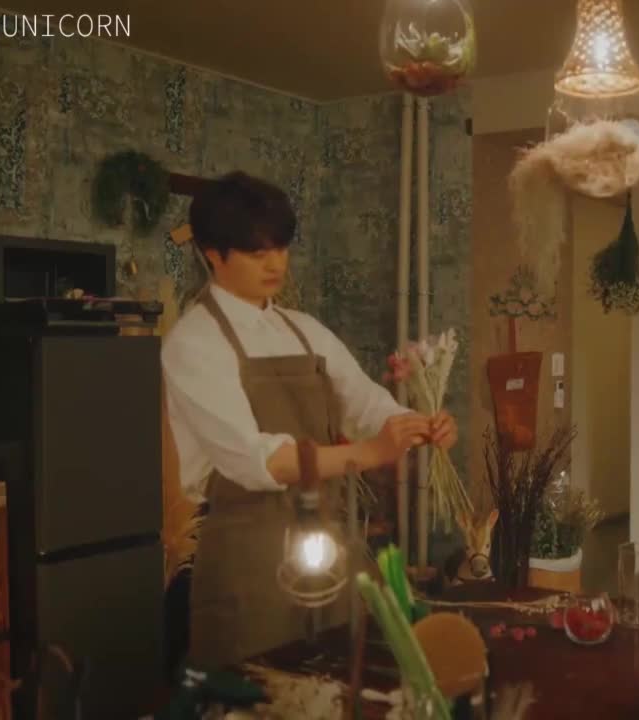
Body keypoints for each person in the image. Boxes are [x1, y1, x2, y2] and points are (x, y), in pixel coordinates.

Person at [161, 171, 455, 668]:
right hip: (247, 560)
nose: (276, 263)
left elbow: (365, 404)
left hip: (326, 545)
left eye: (281, 247)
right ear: (213, 254)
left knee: (347, 680)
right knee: (262, 690)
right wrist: (369, 453)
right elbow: (259, 460)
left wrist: (416, 425)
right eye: (257, 252)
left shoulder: (304, 331)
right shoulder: (193, 344)